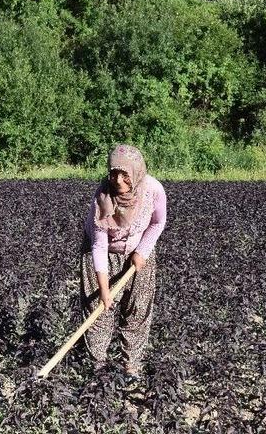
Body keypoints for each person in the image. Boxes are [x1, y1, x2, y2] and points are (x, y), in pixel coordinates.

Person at [80, 144, 167, 378]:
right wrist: (105, 290)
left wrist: (142, 251)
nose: (118, 180)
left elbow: (158, 223)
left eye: (124, 174)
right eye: (114, 173)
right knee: (99, 308)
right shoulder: (103, 198)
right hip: (102, 252)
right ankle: (98, 365)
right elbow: (99, 245)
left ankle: (132, 366)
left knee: (137, 308)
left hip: (139, 250)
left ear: (136, 172)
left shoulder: (153, 190)